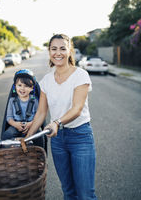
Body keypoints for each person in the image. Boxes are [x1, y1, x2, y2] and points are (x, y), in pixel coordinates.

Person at [27, 34, 98, 200]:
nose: (58, 53)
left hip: (80, 136)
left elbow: (77, 108)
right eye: (54, 49)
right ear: (49, 52)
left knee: (85, 194)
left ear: (69, 51)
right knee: (68, 192)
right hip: (58, 140)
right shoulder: (45, 81)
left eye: (62, 48)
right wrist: (27, 138)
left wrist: (57, 122)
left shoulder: (80, 75)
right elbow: (41, 113)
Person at [1, 69, 44, 148]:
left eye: (26, 86)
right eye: (19, 85)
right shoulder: (12, 101)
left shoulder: (35, 101)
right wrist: (15, 124)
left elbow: (39, 115)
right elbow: (9, 117)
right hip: (16, 125)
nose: (22, 89)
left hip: (31, 125)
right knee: (7, 135)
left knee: (39, 136)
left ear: (32, 88)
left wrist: (31, 124)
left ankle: (40, 155)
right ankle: (7, 155)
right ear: (15, 86)